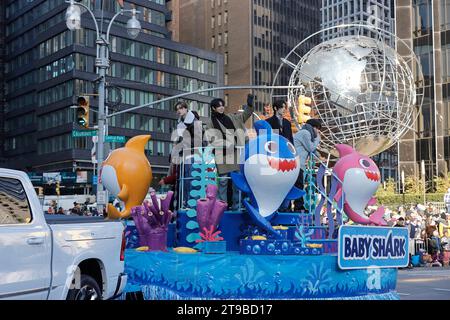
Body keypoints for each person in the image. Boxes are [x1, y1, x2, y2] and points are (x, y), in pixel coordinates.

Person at [205, 94, 254, 210]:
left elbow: (245, 115)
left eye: (222, 106)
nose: (221, 108)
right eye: (218, 106)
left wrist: (250, 105)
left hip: (235, 154)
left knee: (236, 182)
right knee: (223, 182)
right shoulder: (210, 123)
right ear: (213, 108)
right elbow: (211, 139)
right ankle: (222, 206)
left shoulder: (232, 117)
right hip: (222, 155)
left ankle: (236, 205)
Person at [161, 101, 202, 208]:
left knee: (190, 180)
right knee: (182, 180)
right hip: (183, 155)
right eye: (177, 109)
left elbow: (199, 139)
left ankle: (191, 204)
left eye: (181, 108)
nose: (179, 111)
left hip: (193, 154)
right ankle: (185, 203)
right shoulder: (180, 123)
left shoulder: (194, 121)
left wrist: (185, 145)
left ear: (186, 109)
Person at [292, 118, 322, 211]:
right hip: (297, 164)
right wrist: (318, 139)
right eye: (318, 129)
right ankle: (298, 207)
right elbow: (310, 147)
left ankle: (298, 206)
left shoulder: (304, 133)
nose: (318, 132)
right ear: (314, 127)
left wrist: (319, 156)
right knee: (299, 185)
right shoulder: (305, 133)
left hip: (298, 164)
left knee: (298, 185)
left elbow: (310, 148)